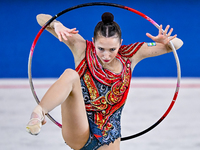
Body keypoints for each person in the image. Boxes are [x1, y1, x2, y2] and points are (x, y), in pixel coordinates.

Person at [26, 12, 183, 150]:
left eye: (112, 49)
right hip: (79, 132)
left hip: (109, 143)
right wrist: (56, 24)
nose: (106, 55)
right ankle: (38, 113)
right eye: (100, 48)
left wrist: (165, 42)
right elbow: (40, 18)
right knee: (71, 75)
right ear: (93, 41)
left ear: (120, 43)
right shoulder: (81, 47)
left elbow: (178, 44)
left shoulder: (131, 55)